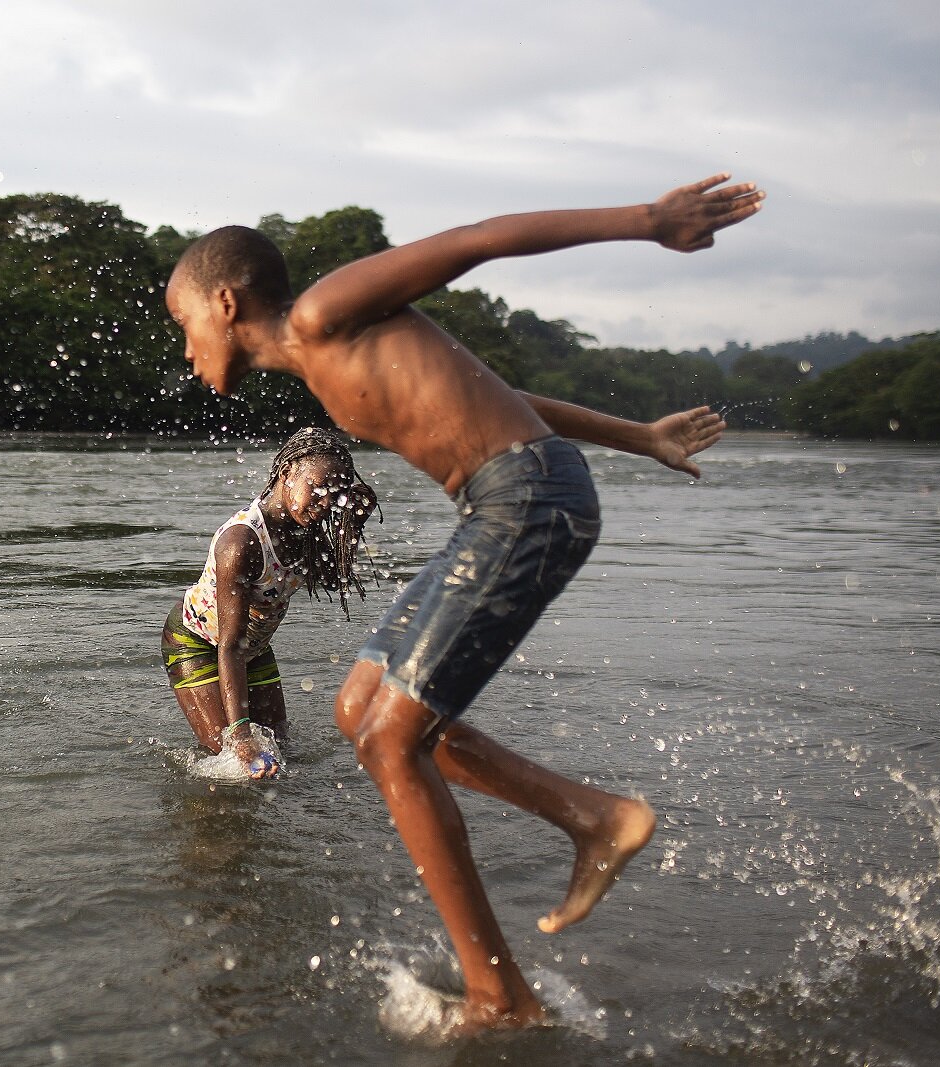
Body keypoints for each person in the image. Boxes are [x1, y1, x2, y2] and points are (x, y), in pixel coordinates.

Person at [164, 174, 763, 1034]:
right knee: (358, 711)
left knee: (393, 739)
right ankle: (592, 818)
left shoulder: (325, 312)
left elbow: (480, 237)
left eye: (184, 325)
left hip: (527, 498)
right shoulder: (325, 380)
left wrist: (649, 222)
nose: (185, 352)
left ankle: (501, 997)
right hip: (507, 502)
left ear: (225, 303)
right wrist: (640, 435)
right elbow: (510, 397)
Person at [162, 427, 378, 778]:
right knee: (228, 759)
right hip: (199, 642)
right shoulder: (241, 543)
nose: (325, 504)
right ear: (287, 472)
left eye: (334, 495)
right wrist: (240, 734)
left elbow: (329, 578)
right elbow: (228, 646)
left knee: (281, 754)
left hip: (252, 647)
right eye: (317, 489)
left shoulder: (303, 524)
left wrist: (352, 524)